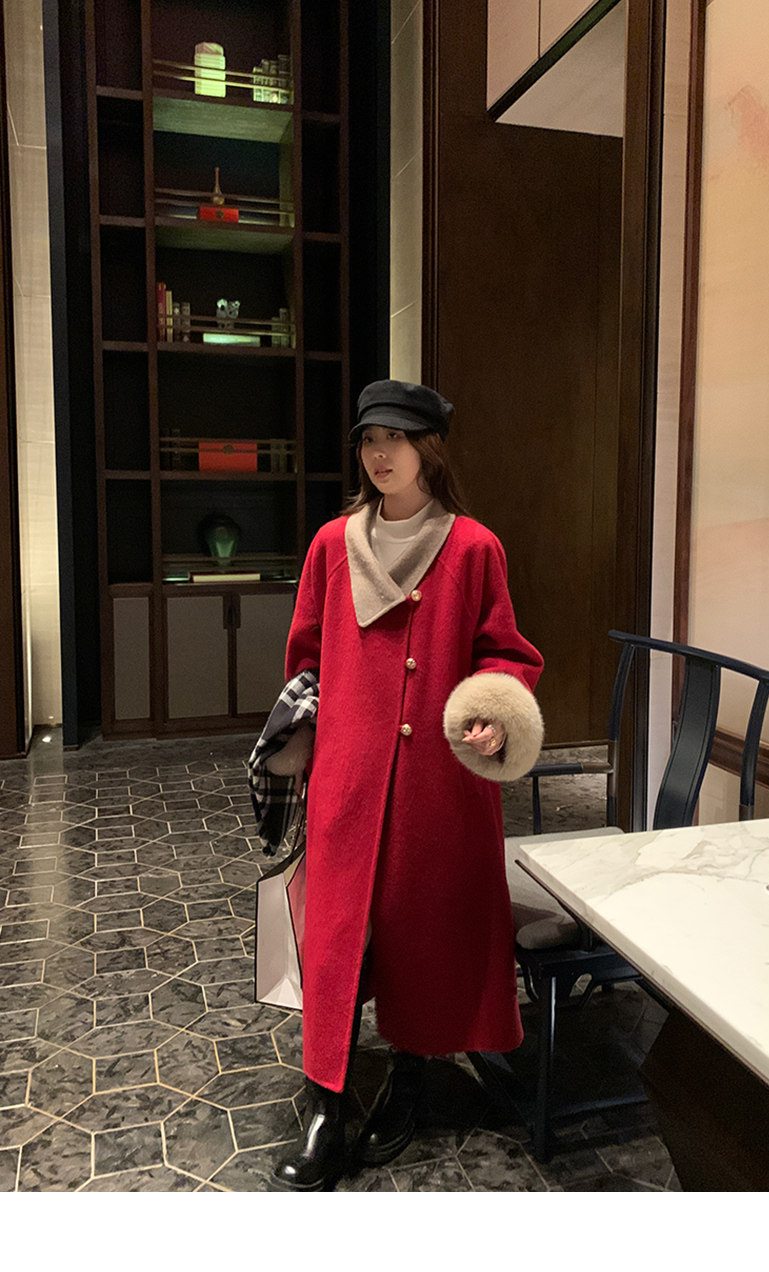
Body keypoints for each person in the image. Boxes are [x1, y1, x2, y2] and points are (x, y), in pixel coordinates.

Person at [268, 379, 544, 1191]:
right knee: (336, 940)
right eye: (368, 439)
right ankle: (326, 1103)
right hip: (347, 780)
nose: (379, 454)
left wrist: (493, 712)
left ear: (429, 448)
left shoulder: (474, 548)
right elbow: (306, 658)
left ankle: (412, 1076)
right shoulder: (332, 545)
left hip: (438, 784)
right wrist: (303, 744)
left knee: (424, 931)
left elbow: (506, 653)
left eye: (395, 438)